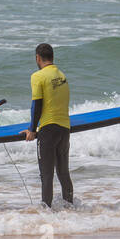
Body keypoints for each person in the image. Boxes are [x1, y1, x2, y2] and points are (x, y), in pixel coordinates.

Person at [21, 43, 72, 208]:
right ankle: (70, 209)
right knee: (63, 173)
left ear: (37, 58)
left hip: (48, 130)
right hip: (65, 129)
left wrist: (32, 130)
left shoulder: (38, 76)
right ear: (52, 57)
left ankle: (46, 211)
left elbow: (37, 105)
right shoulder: (61, 75)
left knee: (46, 175)